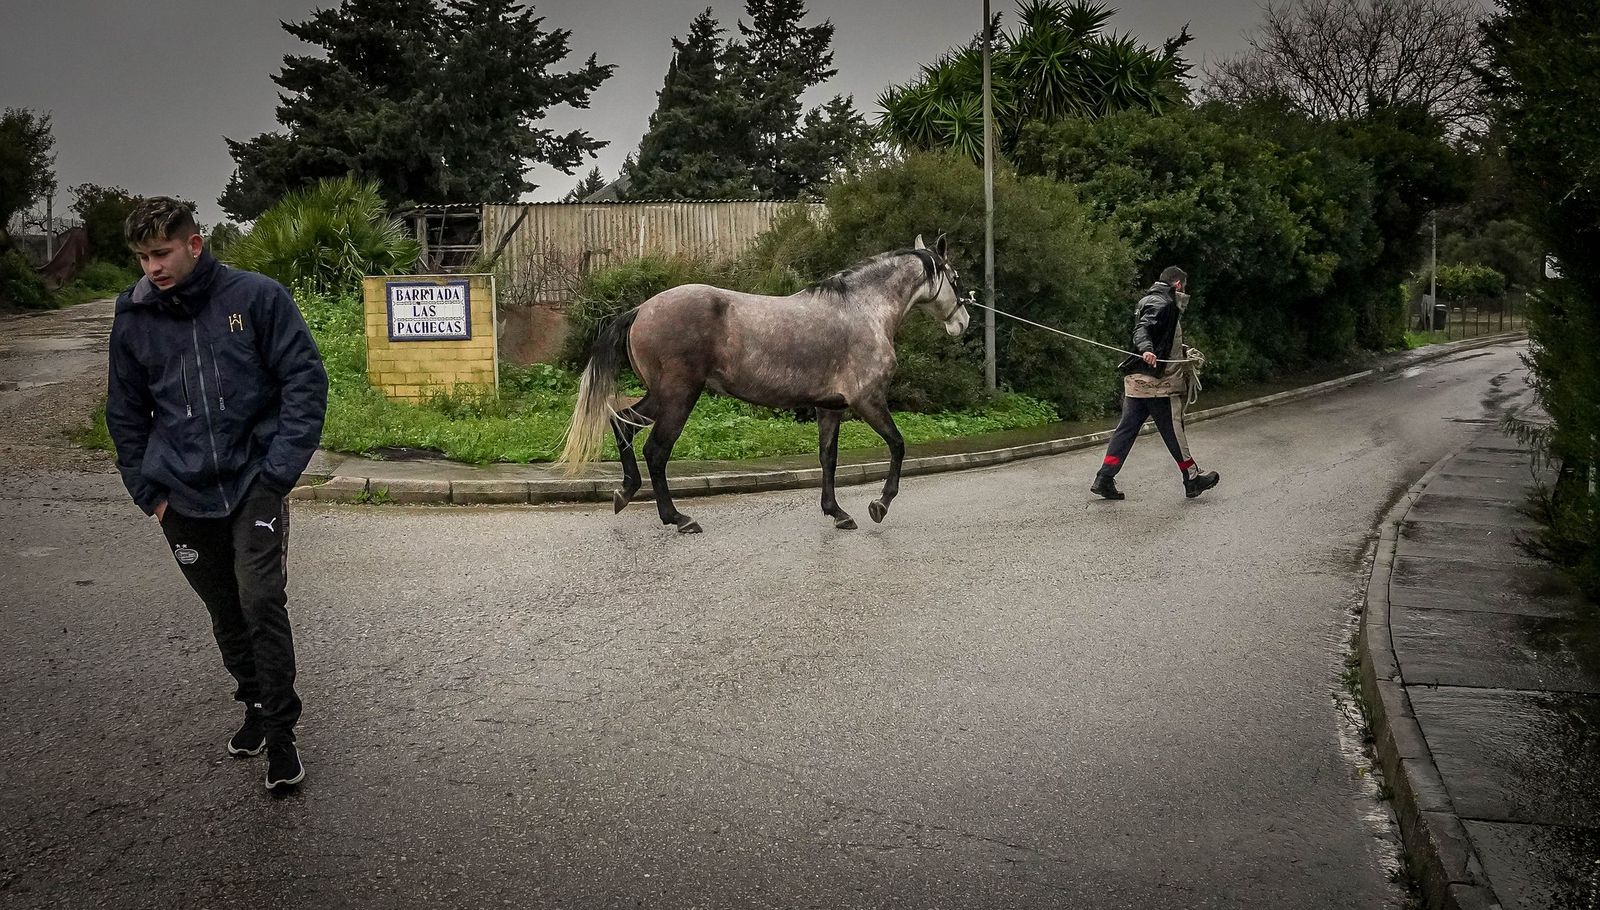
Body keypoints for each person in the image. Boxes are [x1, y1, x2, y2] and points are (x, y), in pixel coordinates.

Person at [106, 197, 328, 791]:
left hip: (254, 481)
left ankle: (283, 738)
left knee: (260, 602)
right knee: (225, 611)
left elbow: (304, 380)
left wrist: (279, 472)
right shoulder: (133, 318)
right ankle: (255, 707)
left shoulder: (256, 297)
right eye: (143, 257)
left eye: (162, 252)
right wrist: (147, 492)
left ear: (194, 244)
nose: (152, 267)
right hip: (179, 495)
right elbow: (125, 414)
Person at [1090, 266, 1220, 501]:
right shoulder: (1164, 303)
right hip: (1159, 385)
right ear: (1178, 285)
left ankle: (1104, 478)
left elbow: (1157, 334)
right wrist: (1147, 349)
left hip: (1137, 383)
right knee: (1174, 432)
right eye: (1184, 287)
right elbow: (1143, 330)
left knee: (1125, 431)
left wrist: (1178, 351)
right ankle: (1192, 479)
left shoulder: (1148, 300)